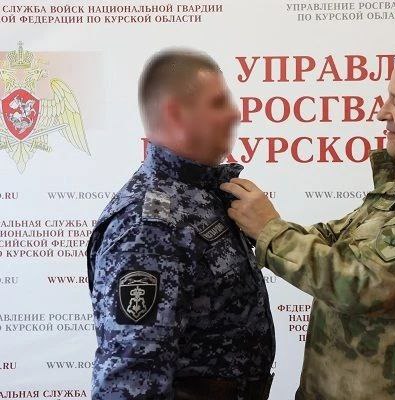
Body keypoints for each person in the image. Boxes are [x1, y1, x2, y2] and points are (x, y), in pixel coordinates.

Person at [221, 44, 395, 400]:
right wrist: (252, 223)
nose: (382, 112)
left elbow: (360, 282)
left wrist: (269, 232)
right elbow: (333, 240)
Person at [86, 49, 275, 400]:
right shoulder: (148, 225)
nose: (235, 113)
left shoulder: (200, 195)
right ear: (176, 114)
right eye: (218, 103)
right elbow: (131, 382)